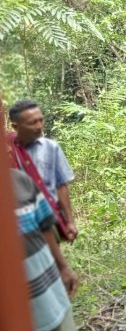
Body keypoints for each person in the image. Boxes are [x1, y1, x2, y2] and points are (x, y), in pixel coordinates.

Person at [10, 167, 94, 331]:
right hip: (14, 307)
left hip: (48, 288)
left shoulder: (20, 181)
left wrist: (64, 267)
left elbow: (45, 226)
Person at [9, 99, 78, 242]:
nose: (39, 126)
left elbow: (60, 186)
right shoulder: (8, 151)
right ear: (16, 126)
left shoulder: (51, 148)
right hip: (18, 226)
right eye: (32, 123)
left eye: (41, 120)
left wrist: (70, 221)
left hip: (49, 221)